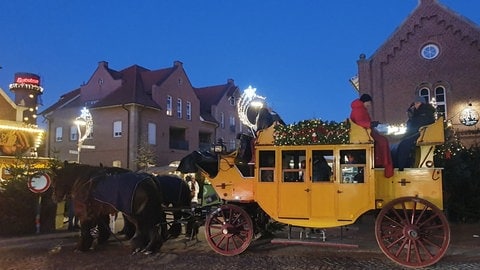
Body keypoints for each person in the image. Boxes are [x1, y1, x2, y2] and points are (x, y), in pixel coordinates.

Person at [350, 94, 393, 178]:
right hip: (363, 134)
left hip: (366, 132)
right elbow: (360, 122)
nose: (369, 105)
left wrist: (372, 124)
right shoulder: (359, 110)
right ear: (365, 101)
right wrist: (371, 124)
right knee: (382, 141)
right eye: (368, 103)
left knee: (382, 140)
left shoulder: (360, 109)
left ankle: (381, 162)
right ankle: (381, 162)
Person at [394, 96, 436, 170]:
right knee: (402, 143)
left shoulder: (424, 112)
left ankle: (401, 167)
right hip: (420, 133)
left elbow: (415, 124)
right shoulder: (420, 112)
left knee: (404, 144)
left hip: (422, 134)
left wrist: (410, 117)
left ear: (421, 103)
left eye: (417, 103)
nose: (415, 105)